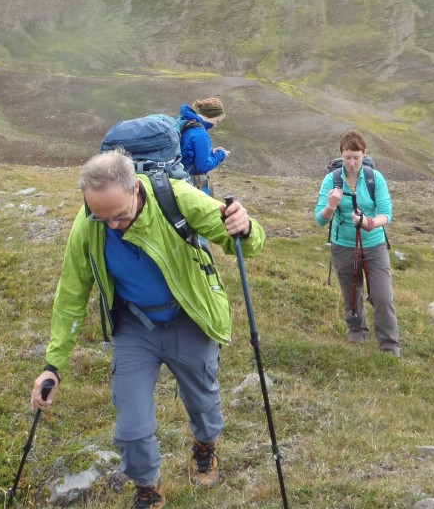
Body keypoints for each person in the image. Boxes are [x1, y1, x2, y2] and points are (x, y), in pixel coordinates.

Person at [31, 148, 265, 509]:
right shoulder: (88, 223)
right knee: (131, 427)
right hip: (135, 327)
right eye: (101, 217)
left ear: (136, 188)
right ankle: (148, 488)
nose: (112, 225)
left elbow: (242, 241)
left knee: (203, 402)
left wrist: (245, 228)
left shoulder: (178, 198)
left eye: (120, 216)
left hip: (189, 318)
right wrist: (53, 365)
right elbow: (72, 292)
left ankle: (205, 447)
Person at [315, 129, 400, 357]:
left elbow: (387, 214)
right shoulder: (331, 180)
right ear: (341, 155)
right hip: (343, 246)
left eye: (356, 157)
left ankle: (390, 345)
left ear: (364, 154)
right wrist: (331, 205)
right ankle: (356, 331)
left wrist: (369, 222)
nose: (351, 163)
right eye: (347, 157)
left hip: (374, 245)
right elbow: (320, 220)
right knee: (352, 293)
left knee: (382, 296)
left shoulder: (375, 178)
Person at [178, 97, 230, 196]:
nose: (215, 125)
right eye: (217, 121)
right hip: (190, 184)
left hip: (178, 178)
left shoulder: (187, 122)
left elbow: (188, 153)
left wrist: (210, 153)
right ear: (213, 115)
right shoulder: (200, 133)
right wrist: (220, 155)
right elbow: (203, 166)